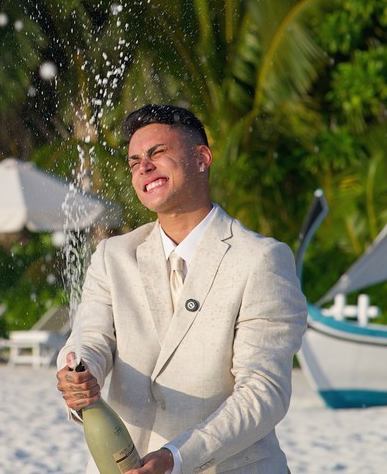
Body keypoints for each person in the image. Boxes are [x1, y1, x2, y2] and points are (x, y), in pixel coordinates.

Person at [56, 104, 307, 474]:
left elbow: (263, 392)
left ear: (202, 158)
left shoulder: (262, 259)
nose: (144, 167)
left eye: (158, 153)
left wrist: (177, 456)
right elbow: (90, 339)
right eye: (134, 161)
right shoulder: (113, 255)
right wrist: (80, 374)